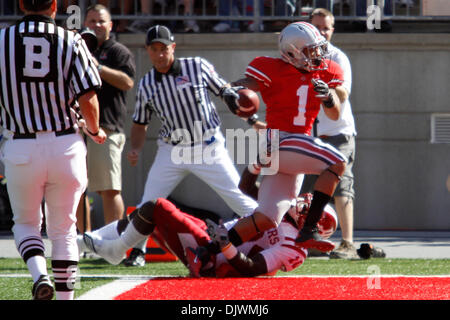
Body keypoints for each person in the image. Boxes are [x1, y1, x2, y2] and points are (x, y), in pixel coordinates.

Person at [123, 25, 258, 266]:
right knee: (149, 201)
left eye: (163, 48)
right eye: (154, 49)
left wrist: (245, 111)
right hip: (172, 150)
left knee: (236, 197)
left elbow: (225, 90)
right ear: (147, 51)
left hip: (207, 147)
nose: (159, 54)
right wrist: (136, 147)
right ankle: (137, 251)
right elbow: (140, 123)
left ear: (172, 47)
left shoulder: (197, 66)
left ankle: (273, 233)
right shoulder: (145, 84)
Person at [0, 0, 106, 300]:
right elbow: (88, 97)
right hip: (65, 145)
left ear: (20, 4)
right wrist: (95, 130)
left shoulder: (2, 40)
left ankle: (40, 275)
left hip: (20, 145)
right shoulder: (70, 39)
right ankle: (63, 298)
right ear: (55, 6)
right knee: (64, 230)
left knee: (25, 224)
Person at [218, 21, 348, 253]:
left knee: (268, 217)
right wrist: (230, 90)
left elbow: (335, 113)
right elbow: (246, 85)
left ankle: (212, 249)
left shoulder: (326, 71)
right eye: (310, 50)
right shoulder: (270, 68)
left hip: (293, 150)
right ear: (292, 53)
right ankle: (309, 229)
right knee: (337, 161)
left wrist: (328, 97)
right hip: (280, 140)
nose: (317, 54)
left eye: (317, 48)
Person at [79, 180, 338, 278]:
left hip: (212, 257)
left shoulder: (293, 246)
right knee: (147, 211)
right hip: (216, 235)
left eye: (311, 210)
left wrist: (224, 244)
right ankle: (84, 242)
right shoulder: (282, 208)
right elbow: (247, 186)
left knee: (158, 207)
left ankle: (115, 249)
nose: (305, 204)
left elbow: (252, 269)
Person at [302, 8, 358, 259]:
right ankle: (304, 238)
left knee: (342, 185)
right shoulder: (299, 56)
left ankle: (347, 243)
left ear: (332, 30)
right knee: (303, 189)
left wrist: (328, 93)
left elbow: (344, 93)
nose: (322, 33)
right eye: (318, 28)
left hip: (338, 132)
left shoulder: (337, 57)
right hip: (308, 132)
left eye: (326, 28)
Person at [76, 4, 135, 233]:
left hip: (106, 129)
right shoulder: (77, 49)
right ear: (85, 24)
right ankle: (84, 240)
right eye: (91, 21)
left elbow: (128, 82)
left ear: (110, 25)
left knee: (110, 189)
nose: (96, 25)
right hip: (77, 128)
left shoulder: (118, 51)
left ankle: (113, 242)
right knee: (77, 189)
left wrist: (98, 67)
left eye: (101, 21)